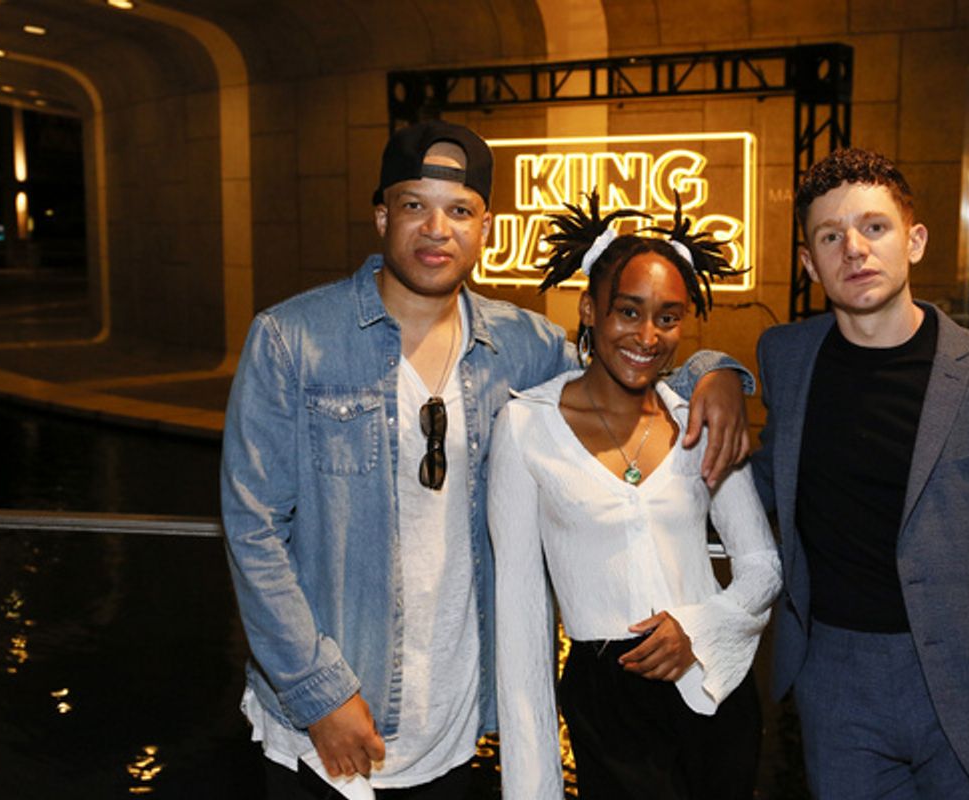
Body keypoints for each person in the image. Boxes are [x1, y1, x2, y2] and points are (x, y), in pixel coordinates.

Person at [220, 121, 752, 799]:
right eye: (414, 205)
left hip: (457, 723)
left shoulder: (525, 346)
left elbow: (636, 373)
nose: (436, 229)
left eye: (459, 210)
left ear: (485, 226)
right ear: (382, 215)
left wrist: (721, 372)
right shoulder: (291, 340)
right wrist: (317, 692)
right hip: (329, 723)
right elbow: (254, 530)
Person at [753, 148, 969, 799]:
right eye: (830, 237)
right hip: (835, 680)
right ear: (809, 263)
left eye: (874, 227)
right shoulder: (786, 357)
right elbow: (759, 476)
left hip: (967, 685)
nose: (854, 250)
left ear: (914, 240)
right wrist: (712, 375)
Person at [489, 194, 783, 799]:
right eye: (629, 311)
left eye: (669, 317)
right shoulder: (525, 427)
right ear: (590, 309)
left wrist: (698, 629)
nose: (647, 336)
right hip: (607, 702)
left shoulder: (701, 420)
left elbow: (761, 567)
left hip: (713, 690)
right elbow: (521, 624)